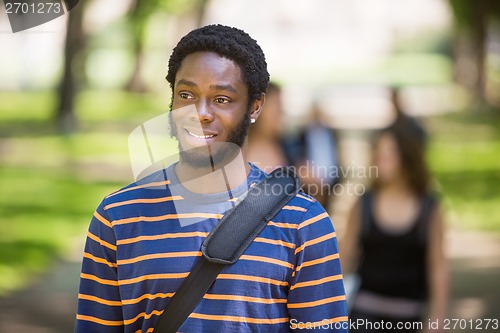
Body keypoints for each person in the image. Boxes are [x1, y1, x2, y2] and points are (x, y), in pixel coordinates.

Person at [75, 24, 348, 332]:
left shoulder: (304, 224)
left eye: (221, 99)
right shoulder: (117, 217)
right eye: (186, 94)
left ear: (254, 106)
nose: (200, 112)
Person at [340, 123, 448, 332]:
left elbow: (438, 266)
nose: (381, 161)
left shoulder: (429, 208)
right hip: (363, 315)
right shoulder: (363, 204)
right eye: (378, 154)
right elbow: (344, 256)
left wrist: (437, 319)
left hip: (409, 315)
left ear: (406, 158)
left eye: (389, 155)